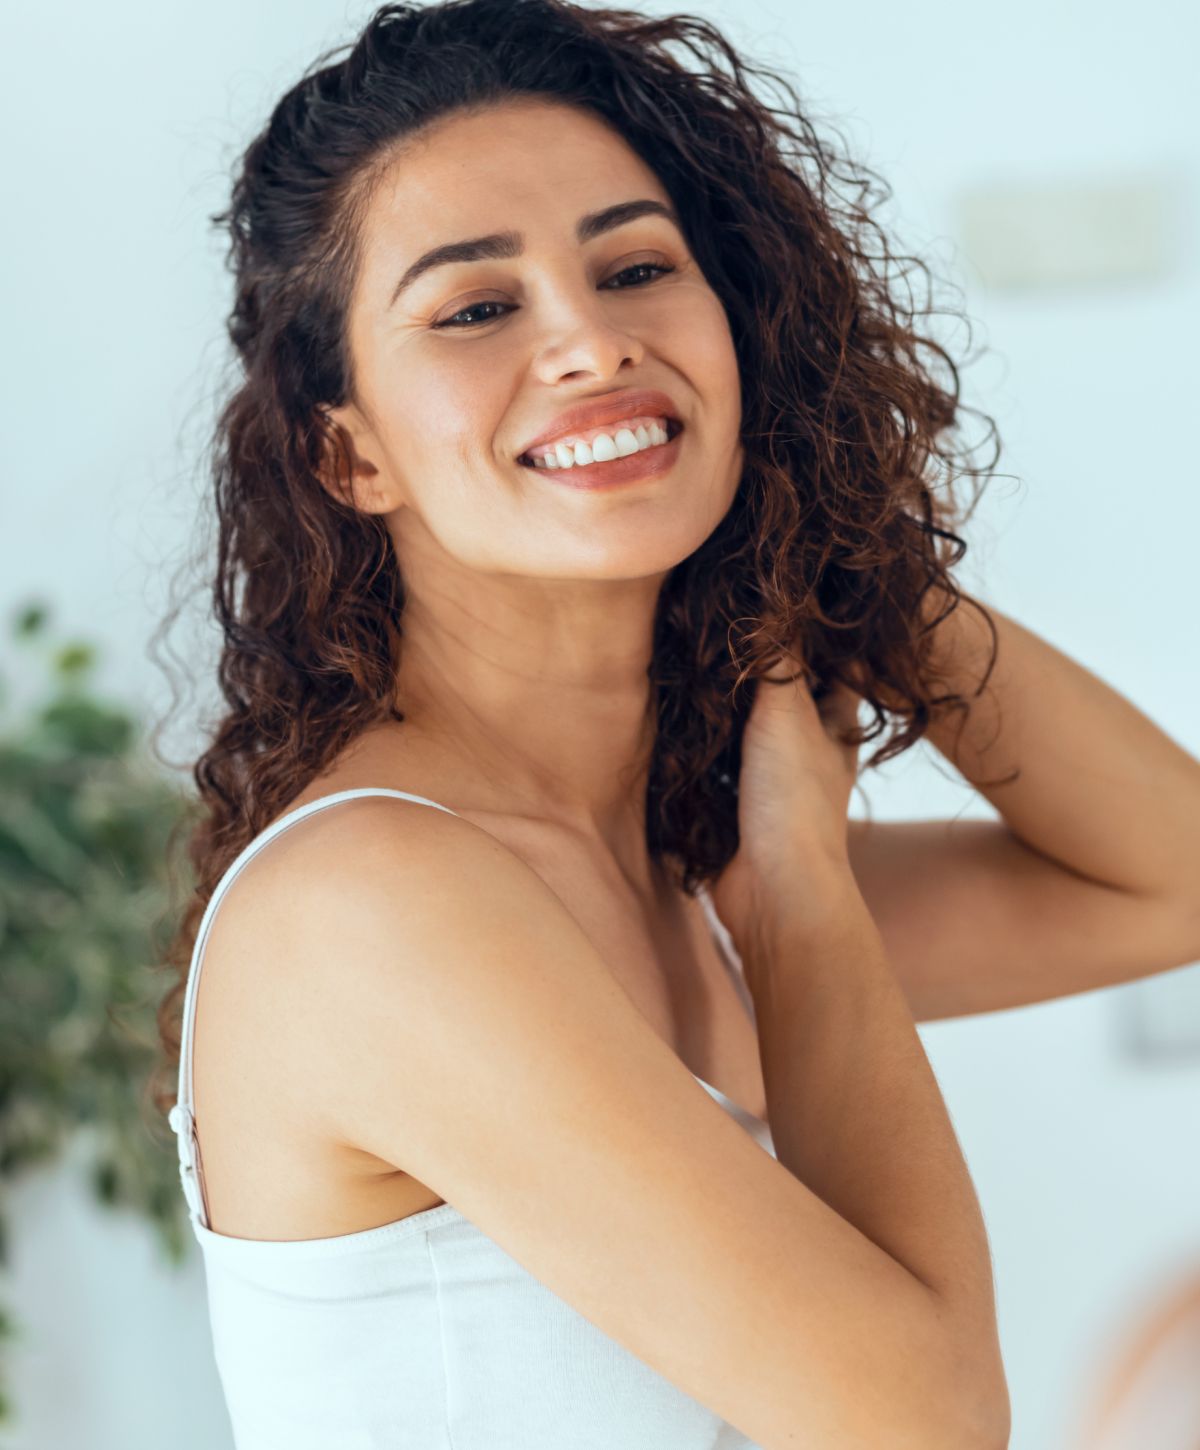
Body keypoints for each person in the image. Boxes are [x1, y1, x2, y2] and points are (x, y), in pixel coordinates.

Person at [148, 0, 1197, 1444]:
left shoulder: (666, 868)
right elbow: (927, 1422)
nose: (590, 341)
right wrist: (806, 899)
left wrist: (842, 551)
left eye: (637, 267)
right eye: (475, 307)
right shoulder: (374, 901)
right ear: (352, 451)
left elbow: (1172, 876)